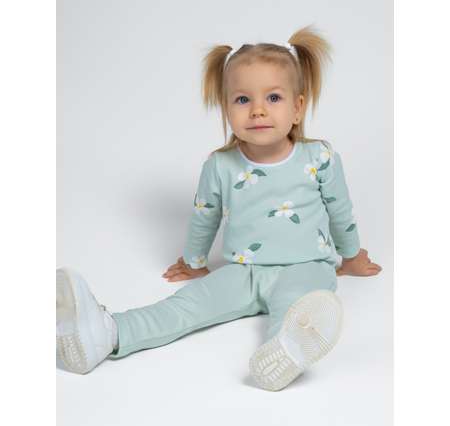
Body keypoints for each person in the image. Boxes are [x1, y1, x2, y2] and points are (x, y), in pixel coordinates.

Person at [56, 24, 382, 391]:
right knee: (187, 304)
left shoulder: (319, 157)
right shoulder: (221, 164)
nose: (257, 110)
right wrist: (194, 261)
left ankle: (284, 351)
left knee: (296, 308)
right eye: (242, 100)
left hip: (306, 266)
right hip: (243, 270)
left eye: (273, 97)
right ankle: (108, 333)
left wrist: (351, 256)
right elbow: (205, 215)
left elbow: (340, 209)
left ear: (297, 107)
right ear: (226, 110)